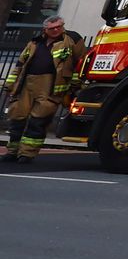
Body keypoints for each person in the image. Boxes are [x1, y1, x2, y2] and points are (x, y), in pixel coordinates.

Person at [5, 15, 88, 165]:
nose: (56, 30)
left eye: (59, 26)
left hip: (51, 87)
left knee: (38, 122)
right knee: (17, 118)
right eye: (52, 28)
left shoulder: (72, 39)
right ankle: (12, 151)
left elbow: (80, 62)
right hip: (26, 83)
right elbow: (20, 64)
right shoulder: (35, 42)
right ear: (45, 29)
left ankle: (27, 154)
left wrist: (76, 84)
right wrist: (10, 85)